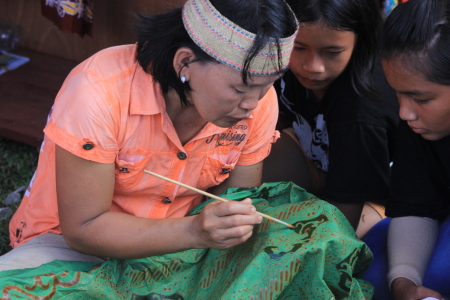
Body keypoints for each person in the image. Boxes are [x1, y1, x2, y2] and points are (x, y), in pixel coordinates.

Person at [0, 0, 299, 271]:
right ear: (185, 62)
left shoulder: (259, 101)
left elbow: (236, 201)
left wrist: (226, 225)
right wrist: (193, 232)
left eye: (267, 85)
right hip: (69, 248)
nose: (252, 105)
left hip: (187, 247)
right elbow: (83, 230)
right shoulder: (97, 91)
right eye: (240, 88)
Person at [261, 0, 399, 237]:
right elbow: (281, 115)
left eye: (332, 52)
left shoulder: (361, 112)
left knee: (309, 241)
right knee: (234, 183)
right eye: (299, 47)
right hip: (316, 159)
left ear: (360, 40)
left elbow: (343, 220)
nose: (312, 67)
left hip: (372, 198)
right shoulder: (277, 59)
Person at [362, 0, 450, 299]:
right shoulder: (419, 127)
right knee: (373, 274)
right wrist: (404, 280)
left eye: (421, 98)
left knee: (440, 274)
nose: (403, 113)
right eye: (397, 94)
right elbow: (415, 205)